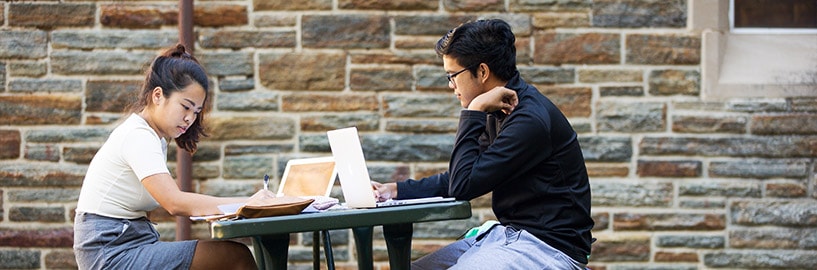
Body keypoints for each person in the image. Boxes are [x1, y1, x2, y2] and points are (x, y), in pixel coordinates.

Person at [371, 19, 594, 269]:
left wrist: (473, 110)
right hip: (509, 237)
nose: (450, 86)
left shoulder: (528, 119)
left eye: (452, 76)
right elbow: (461, 177)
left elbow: (464, 185)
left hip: (549, 248)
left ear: (483, 71)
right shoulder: (501, 109)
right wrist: (396, 191)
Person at [73, 44, 259, 270]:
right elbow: (174, 202)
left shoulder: (152, 137)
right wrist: (250, 203)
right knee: (234, 256)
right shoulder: (138, 136)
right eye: (185, 107)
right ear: (158, 95)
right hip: (110, 252)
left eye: (197, 112)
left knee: (227, 255)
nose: (190, 118)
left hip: (128, 242)